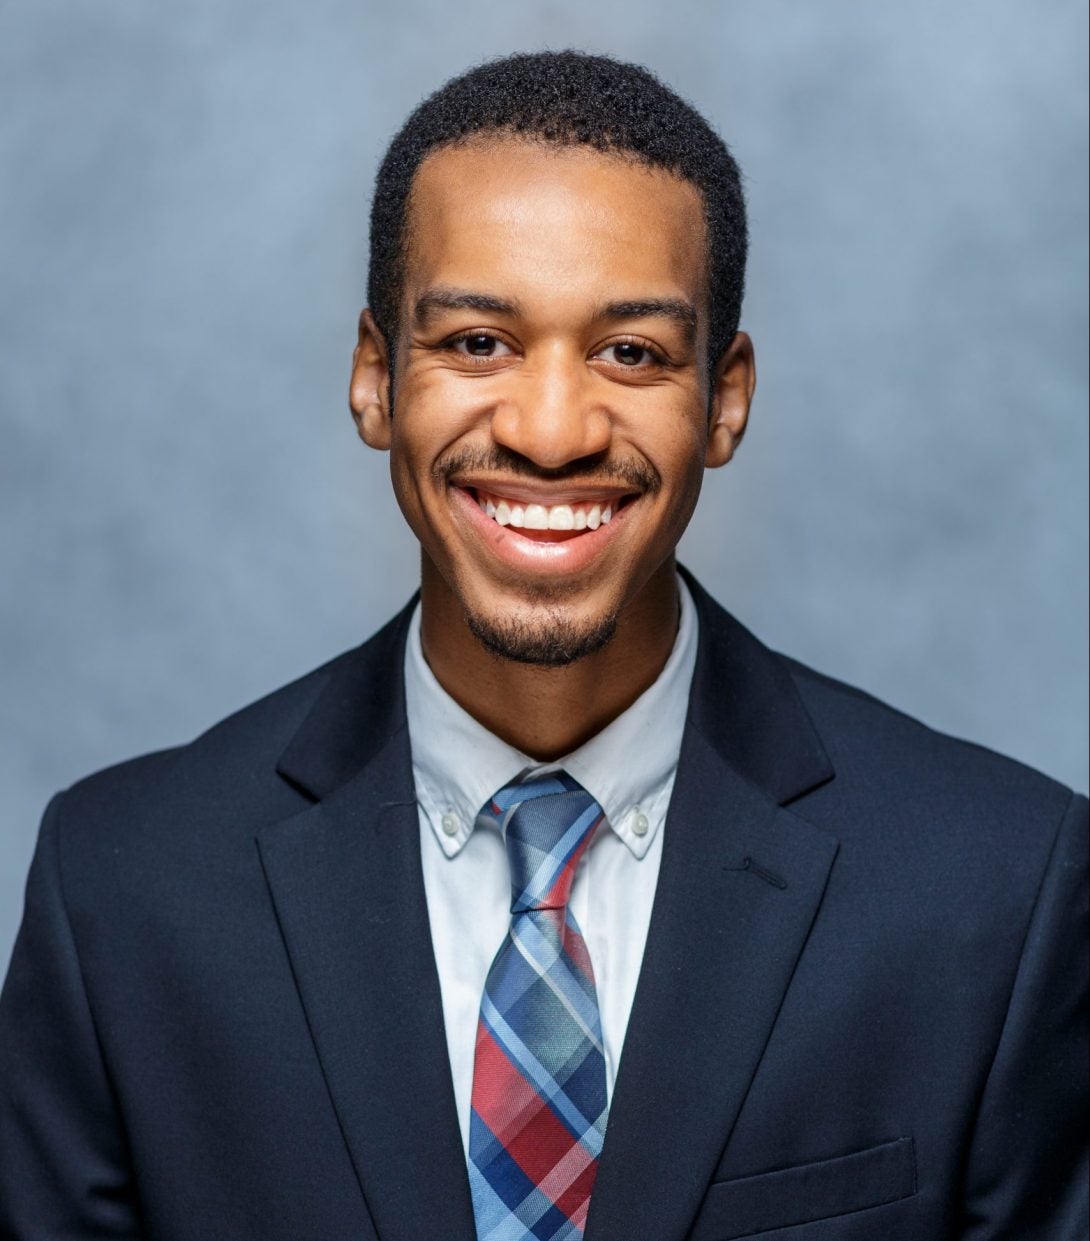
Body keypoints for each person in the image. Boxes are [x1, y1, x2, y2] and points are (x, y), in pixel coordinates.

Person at [0, 49, 1085, 1241]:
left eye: (630, 352)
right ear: (375, 379)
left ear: (723, 399)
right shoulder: (122, 891)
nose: (552, 431)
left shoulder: (997, 889)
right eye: (476, 342)